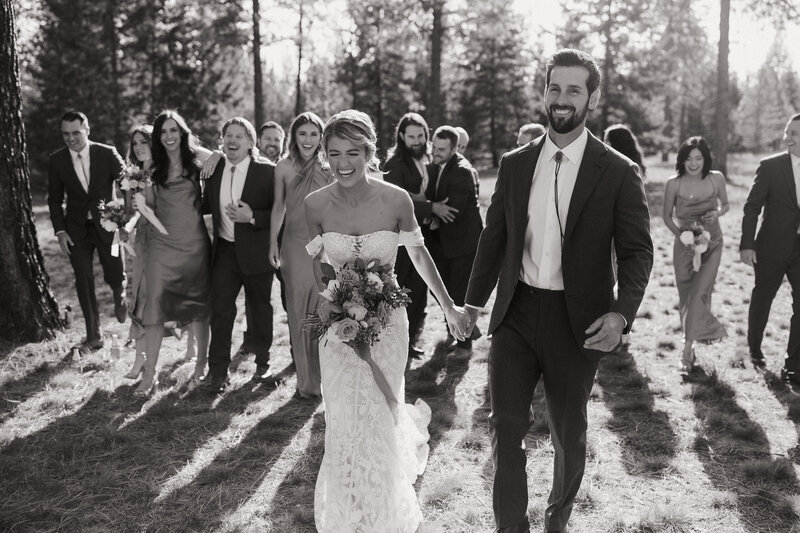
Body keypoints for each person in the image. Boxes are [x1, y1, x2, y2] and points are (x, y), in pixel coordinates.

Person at [463, 49, 653, 532]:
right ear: (544, 92)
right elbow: (493, 238)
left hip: (580, 322)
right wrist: (472, 302)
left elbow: (636, 252)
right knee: (505, 428)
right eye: (555, 88)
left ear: (592, 97)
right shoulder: (514, 164)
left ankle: (557, 519)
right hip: (517, 314)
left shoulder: (617, 171)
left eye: (574, 89)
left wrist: (620, 315)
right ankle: (512, 527)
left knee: (569, 433)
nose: (562, 98)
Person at [304, 109, 468, 532]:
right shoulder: (314, 205)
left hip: (389, 322)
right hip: (337, 326)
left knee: (378, 409)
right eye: (334, 152)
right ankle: (347, 500)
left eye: (354, 152)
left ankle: (381, 504)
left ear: (369, 152)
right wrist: (330, 303)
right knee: (341, 413)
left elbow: (419, 255)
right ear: (324, 154)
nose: (344, 162)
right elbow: (320, 269)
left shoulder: (397, 199)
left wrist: (449, 306)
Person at [132, 110, 213, 396]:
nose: (168, 136)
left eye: (173, 130)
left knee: (199, 307)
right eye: (163, 132)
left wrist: (203, 151)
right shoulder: (152, 167)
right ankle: (150, 374)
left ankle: (201, 365)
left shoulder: (196, 160)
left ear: (182, 133)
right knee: (154, 305)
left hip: (194, 244)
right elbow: (144, 204)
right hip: (161, 246)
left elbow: (219, 158)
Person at [200, 117, 276, 394]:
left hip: (257, 251)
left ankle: (263, 362)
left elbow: (281, 213)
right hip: (224, 252)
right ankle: (218, 372)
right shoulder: (214, 168)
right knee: (220, 311)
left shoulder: (267, 172)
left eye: (239, 136)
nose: (232, 141)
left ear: (251, 142)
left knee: (260, 309)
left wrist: (253, 216)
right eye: (228, 136)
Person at [47, 111, 127, 354]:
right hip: (76, 230)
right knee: (83, 279)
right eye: (65, 134)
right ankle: (94, 334)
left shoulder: (107, 152)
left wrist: (126, 218)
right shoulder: (57, 160)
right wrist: (60, 231)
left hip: (108, 225)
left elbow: (128, 184)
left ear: (87, 130)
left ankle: (119, 292)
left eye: (75, 133)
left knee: (114, 268)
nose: (70, 138)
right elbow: (54, 200)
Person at [269, 112, 332, 399]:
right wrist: (272, 242)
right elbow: (278, 208)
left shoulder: (330, 166)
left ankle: (330, 379)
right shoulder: (283, 167)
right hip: (293, 247)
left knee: (327, 308)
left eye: (313, 133)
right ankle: (306, 383)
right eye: (302, 133)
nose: (308, 139)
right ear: (293, 136)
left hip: (326, 246)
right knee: (297, 311)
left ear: (321, 137)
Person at [741, 112, 800, 384]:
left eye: (795, 134)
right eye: (788, 132)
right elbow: (752, 207)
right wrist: (747, 244)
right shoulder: (770, 166)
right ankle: (754, 349)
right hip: (771, 248)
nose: (788, 138)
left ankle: (793, 365)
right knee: (763, 298)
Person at [662, 136, 728, 371]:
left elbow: (726, 204)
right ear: (682, 160)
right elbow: (666, 216)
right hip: (685, 246)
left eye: (698, 158)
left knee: (701, 292)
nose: (694, 163)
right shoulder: (674, 183)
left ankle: (688, 348)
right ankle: (690, 334)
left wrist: (718, 213)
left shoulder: (716, 178)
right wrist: (682, 236)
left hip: (713, 244)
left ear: (705, 159)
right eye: (689, 159)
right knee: (686, 294)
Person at [426, 125, 484, 356]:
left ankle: (464, 345)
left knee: (459, 294)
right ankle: (461, 330)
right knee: (440, 290)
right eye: (434, 147)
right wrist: (434, 212)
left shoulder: (461, 170)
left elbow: (453, 210)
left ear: (453, 149)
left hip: (464, 242)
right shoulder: (436, 166)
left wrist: (434, 216)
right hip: (445, 242)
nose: (436, 152)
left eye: (441, 149)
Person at [383, 112, 434, 359]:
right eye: (411, 136)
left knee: (418, 291)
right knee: (401, 291)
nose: (417, 140)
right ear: (401, 136)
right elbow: (397, 202)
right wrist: (431, 208)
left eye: (420, 135)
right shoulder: (395, 165)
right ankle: (395, 343)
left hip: (421, 237)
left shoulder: (424, 160)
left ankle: (410, 340)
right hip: (401, 242)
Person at [235, 120, 288, 357]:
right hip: (256, 242)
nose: (273, 143)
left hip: (286, 243)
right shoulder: (250, 168)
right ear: (258, 140)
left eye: (277, 139)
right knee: (256, 297)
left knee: (288, 295)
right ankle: (252, 341)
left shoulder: (287, 168)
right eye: (268, 138)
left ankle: (297, 347)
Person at [454, 125, 481, 196]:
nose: (459, 150)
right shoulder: (438, 167)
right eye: (457, 146)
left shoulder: (472, 173)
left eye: (463, 147)